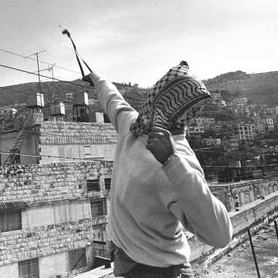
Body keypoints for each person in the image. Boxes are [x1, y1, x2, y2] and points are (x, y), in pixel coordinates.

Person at [83, 61, 233, 278]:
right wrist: (97, 79)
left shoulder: (178, 160)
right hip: (128, 261)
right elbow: (114, 100)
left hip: (159, 271)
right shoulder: (134, 126)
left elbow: (220, 235)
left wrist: (171, 162)